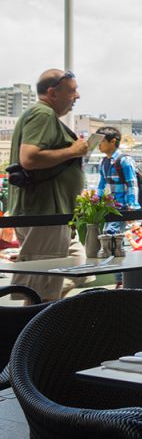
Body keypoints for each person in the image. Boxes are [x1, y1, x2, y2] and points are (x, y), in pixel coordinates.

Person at [7, 69, 89, 302]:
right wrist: (73, 150)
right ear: (52, 92)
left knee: (76, 263)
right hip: (45, 213)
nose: (77, 96)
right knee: (41, 287)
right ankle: (33, 329)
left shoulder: (43, 115)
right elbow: (29, 158)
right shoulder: (42, 114)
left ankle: (46, 315)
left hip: (54, 213)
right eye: (72, 91)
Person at [95, 126, 140, 285]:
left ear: (113, 141)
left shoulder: (124, 160)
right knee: (112, 240)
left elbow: (132, 184)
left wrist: (132, 207)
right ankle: (119, 278)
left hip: (122, 209)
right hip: (111, 208)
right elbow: (101, 183)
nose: (98, 145)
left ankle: (121, 278)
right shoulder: (104, 162)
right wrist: (96, 199)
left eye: (101, 141)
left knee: (113, 238)